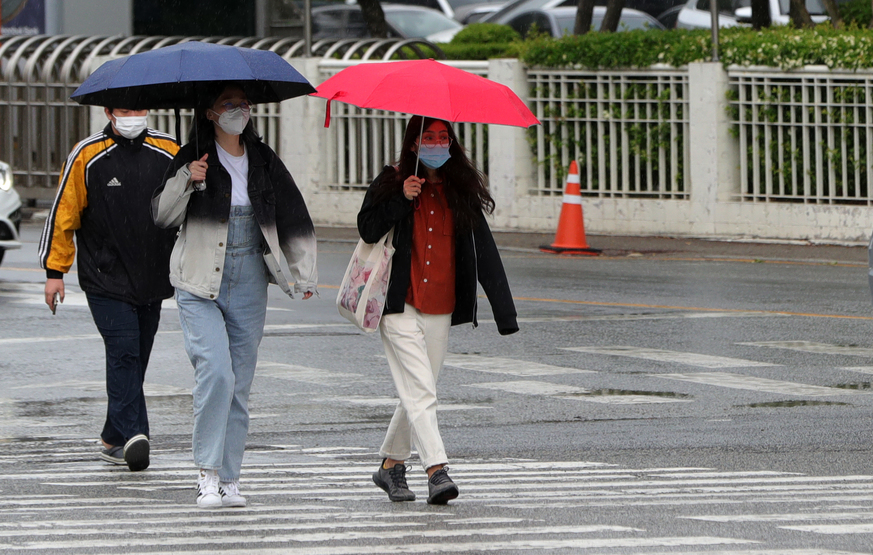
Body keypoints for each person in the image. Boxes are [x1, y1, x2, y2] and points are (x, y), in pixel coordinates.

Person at [153, 84, 318, 508]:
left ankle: (230, 478)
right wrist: (187, 180)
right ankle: (206, 473)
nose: (238, 111)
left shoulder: (263, 159)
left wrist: (302, 272)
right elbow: (162, 215)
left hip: (248, 279)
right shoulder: (192, 158)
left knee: (239, 385)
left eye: (243, 104)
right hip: (197, 281)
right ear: (209, 113)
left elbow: (293, 213)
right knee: (217, 374)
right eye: (229, 104)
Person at [358, 116, 518, 505]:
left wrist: (505, 313)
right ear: (413, 144)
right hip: (398, 305)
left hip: (440, 307)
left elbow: (485, 252)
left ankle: (391, 466)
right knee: (423, 391)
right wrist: (401, 198)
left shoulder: (459, 190)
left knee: (418, 391)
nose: (436, 143)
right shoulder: (392, 180)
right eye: (427, 136)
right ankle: (437, 470)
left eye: (442, 137)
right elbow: (367, 228)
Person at [39, 106, 180, 472]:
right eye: (124, 110)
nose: (133, 115)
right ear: (109, 112)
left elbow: (186, 205)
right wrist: (56, 271)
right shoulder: (87, 155)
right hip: (105, 278)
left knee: (137, 357)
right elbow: (63, 215)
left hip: (153, 276)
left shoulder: (170, 150)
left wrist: (193, 175)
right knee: (124, 353)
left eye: (138, 109)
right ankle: (136, 436)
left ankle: (111, 436)